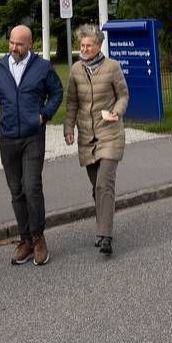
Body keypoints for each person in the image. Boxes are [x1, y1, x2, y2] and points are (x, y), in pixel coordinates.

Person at [0, 24, 63, 266]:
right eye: (12, 43)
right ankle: (25, 240)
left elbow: (57, 92)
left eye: (19, 44)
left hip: (33, 137)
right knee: (16, 191)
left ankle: (38, 237)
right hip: (8, 138)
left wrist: (44, 115)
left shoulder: (42, 68)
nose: (14, 48)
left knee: (32, 186)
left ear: (30, 44)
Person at [63, 23, 129, 256]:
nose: (84, 49)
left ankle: (105, 236)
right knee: (96, 187)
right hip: (87, 137)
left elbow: (123, 95)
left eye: (88, 45)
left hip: (110, 133)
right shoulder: (76, 70)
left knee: (104, 183)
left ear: (99, 46)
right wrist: (68, 128)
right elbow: (72, 102)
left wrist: (117, 112)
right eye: (82, 45)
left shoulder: (112, 67)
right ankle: (103, 227)